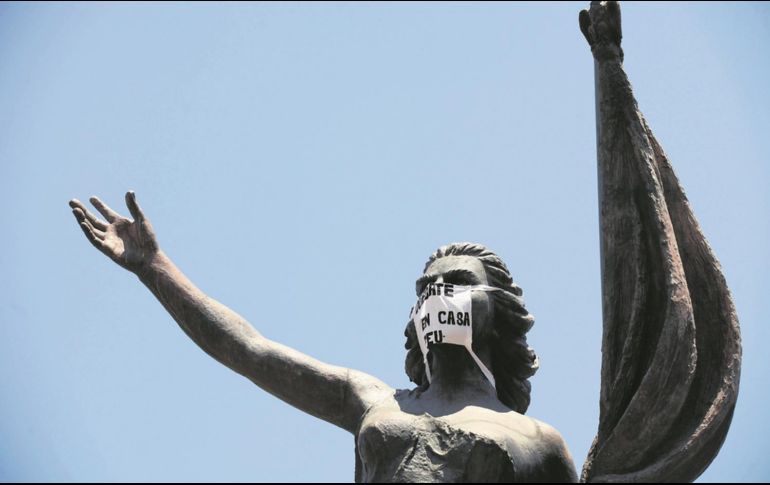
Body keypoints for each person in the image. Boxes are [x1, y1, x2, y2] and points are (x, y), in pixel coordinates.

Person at [69, 2, 739, 483]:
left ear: (495, 311)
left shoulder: (542, 446)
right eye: (426, 289)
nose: (436, 295)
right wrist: (157, 269)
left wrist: (607, 63)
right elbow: (248, 349)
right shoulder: (374, 399)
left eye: (455, 283)